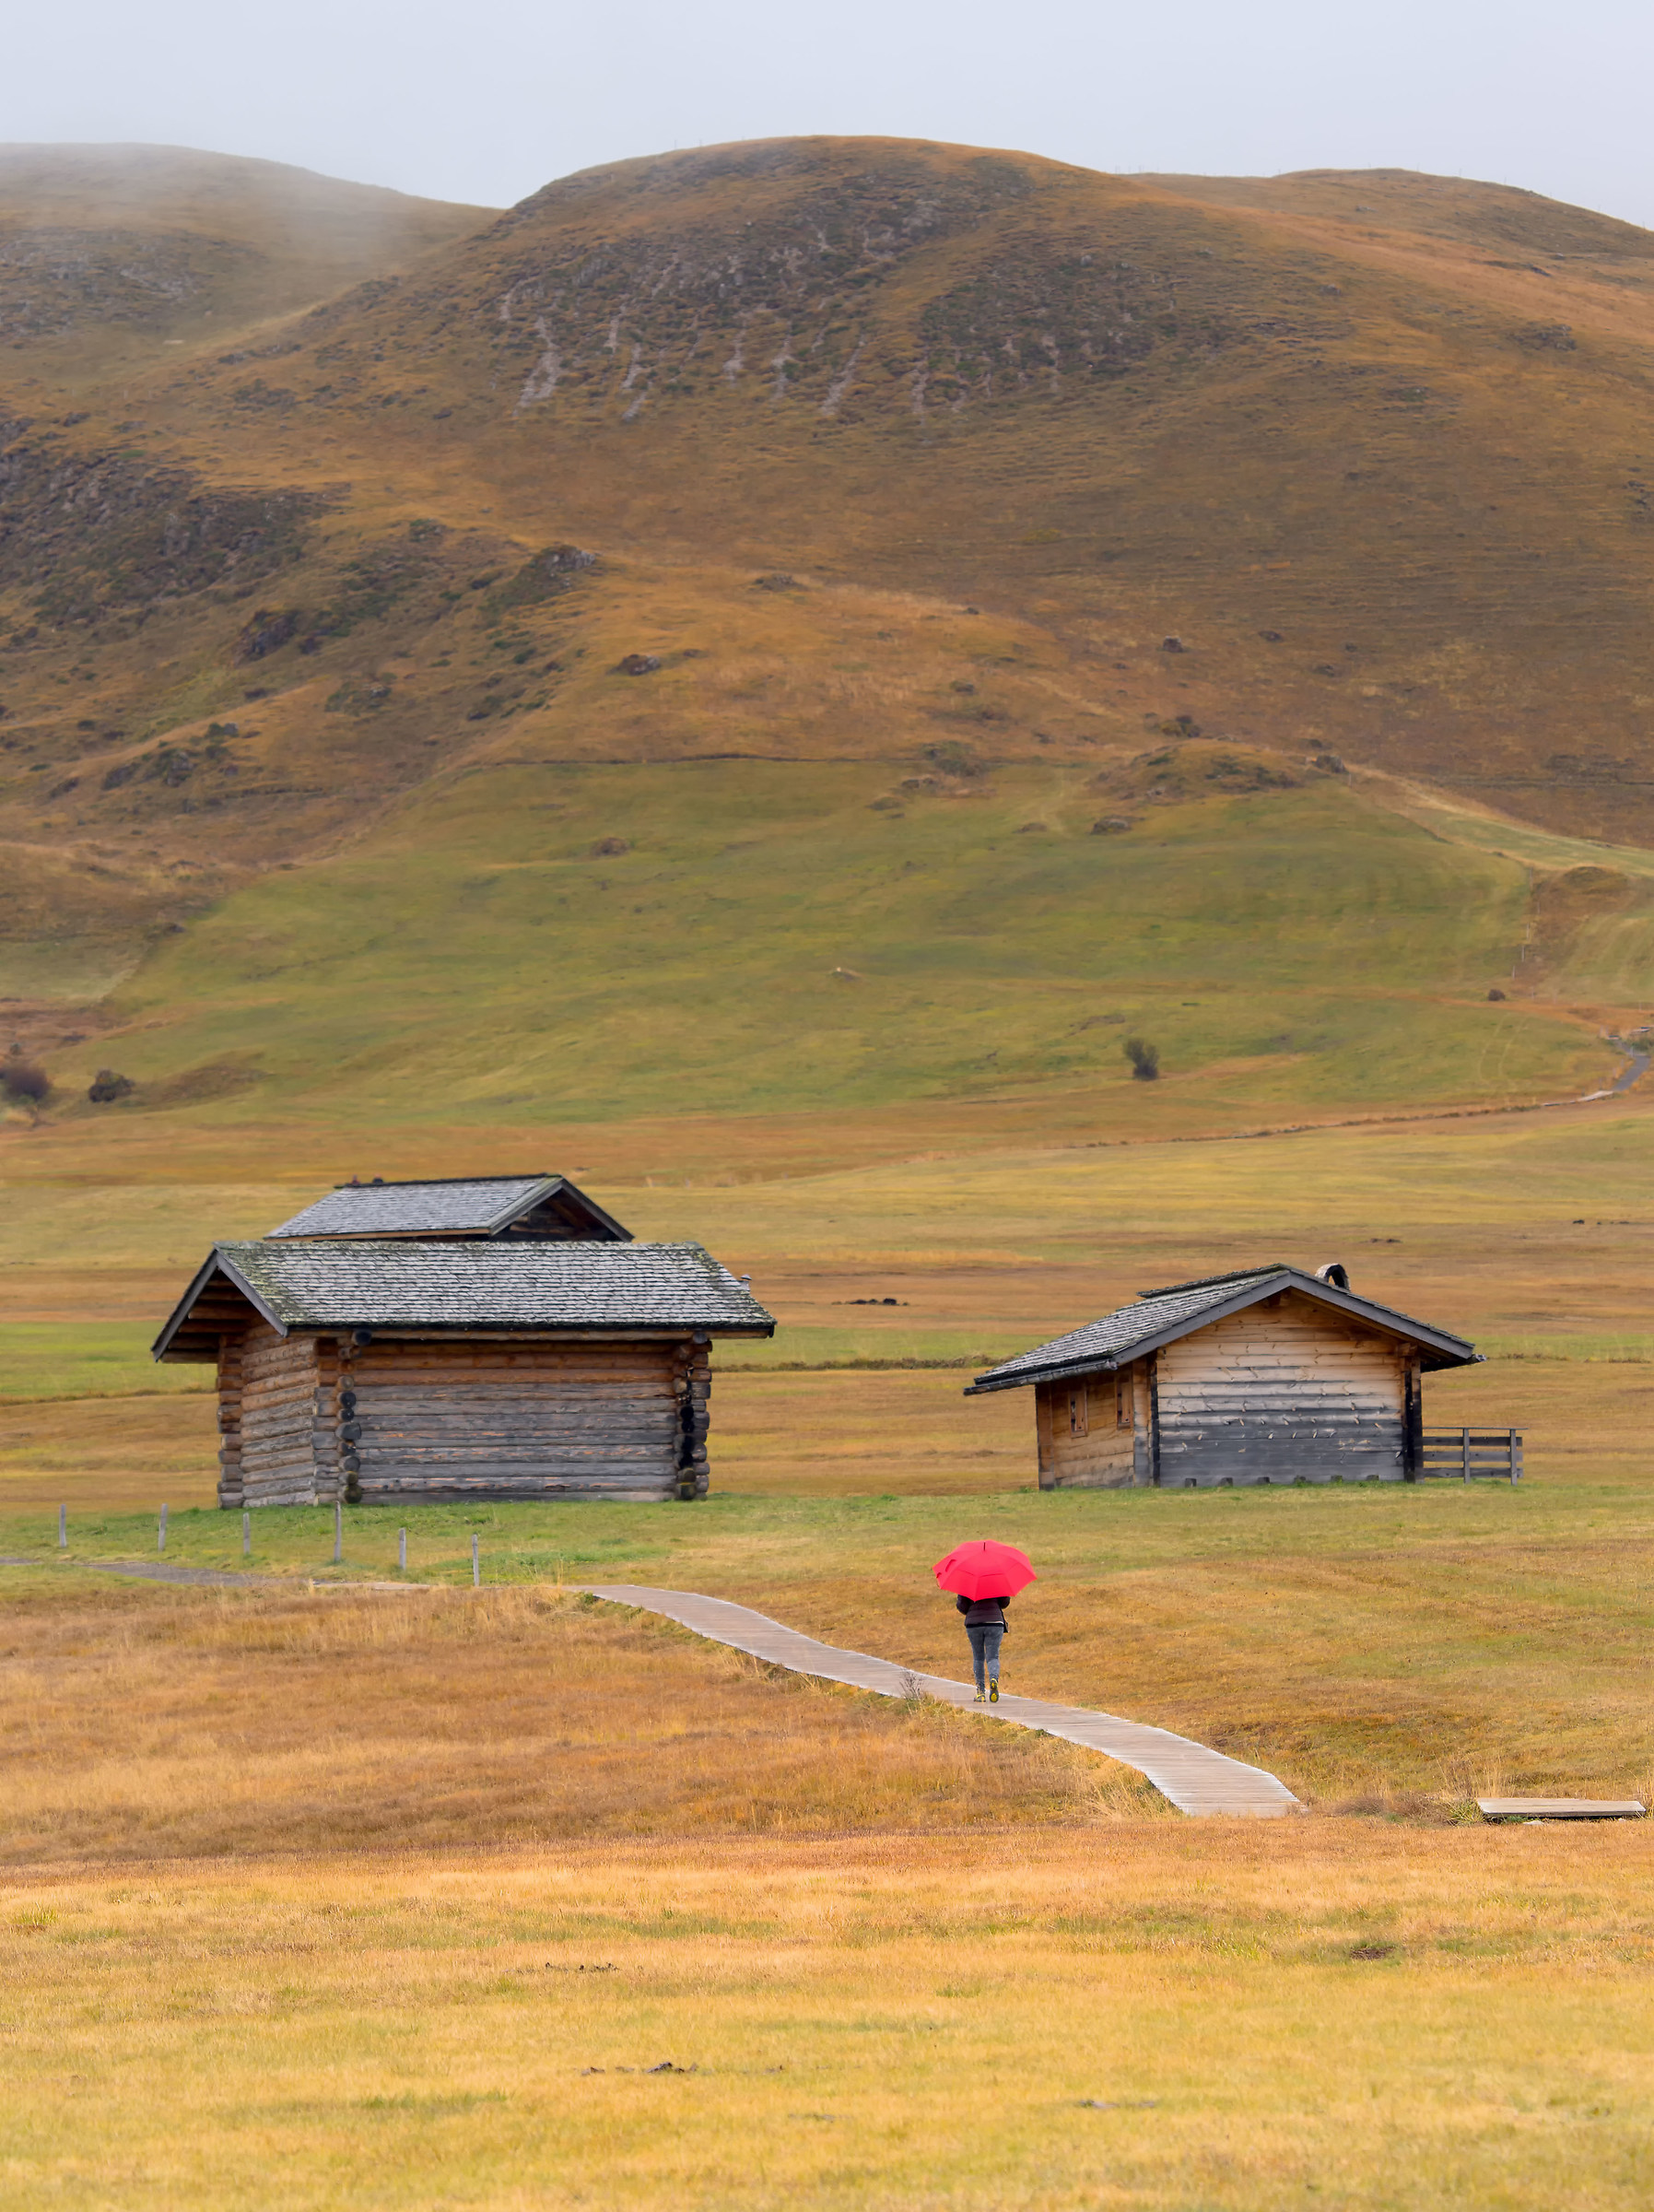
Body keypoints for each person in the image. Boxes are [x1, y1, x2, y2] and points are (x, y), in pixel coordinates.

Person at [956, 1589, 1011, 1702]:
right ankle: (993, 1679)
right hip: (995, 1622)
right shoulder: (997, 1580)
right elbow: (1005, 1602)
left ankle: (980, 1693)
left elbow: (962, 1606)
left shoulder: (966, 1582)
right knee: (993, 1657)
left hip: (974, 1624)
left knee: (978, 1658)